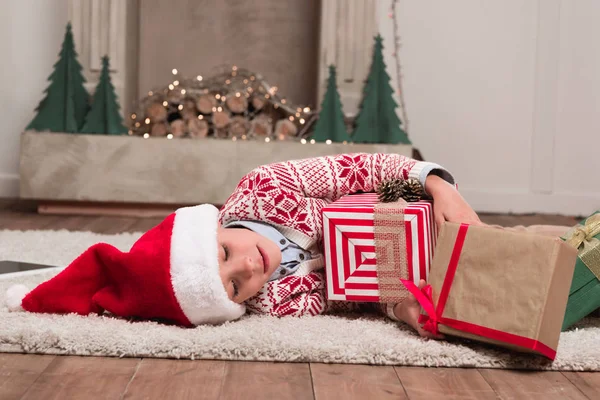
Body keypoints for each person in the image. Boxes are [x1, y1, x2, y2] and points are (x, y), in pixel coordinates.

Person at [5, 152, 527, 337]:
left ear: (212, 228)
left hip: (420, 203)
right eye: (235, 288)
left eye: (226, 254)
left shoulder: (266, 187)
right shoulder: (276, 303)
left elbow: (362, 168)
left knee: (522, 249)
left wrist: (439, 187)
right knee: (504, 300)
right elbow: (359, 293)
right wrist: (404, 311)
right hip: (418, 266)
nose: (248, 269)